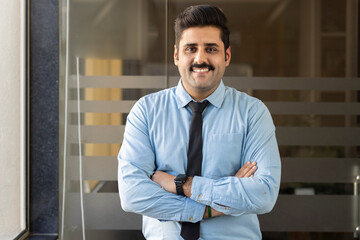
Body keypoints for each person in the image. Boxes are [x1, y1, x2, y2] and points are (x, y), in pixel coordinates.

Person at [118, 5, 281, 240]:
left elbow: (263, 194)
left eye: (211, 49)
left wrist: (182, 184)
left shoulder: (252, 113)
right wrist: (208, 208)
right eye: (191, 49)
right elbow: (133, 194)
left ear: (226, 56)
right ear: (176, 55)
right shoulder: (146, 112)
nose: (200, 58)